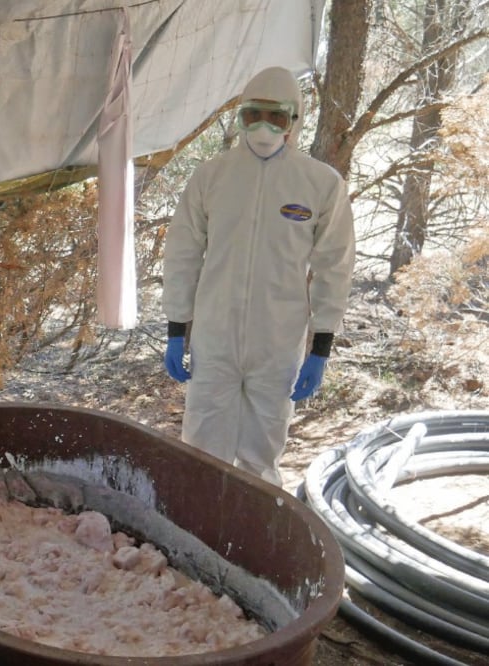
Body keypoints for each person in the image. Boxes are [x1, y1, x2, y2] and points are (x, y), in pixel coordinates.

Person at [160, 66, 356, 486]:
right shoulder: (211, 176)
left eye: (276, 117)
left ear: (294, 121)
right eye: (252, 115)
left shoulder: (320, 184)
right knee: (201, 454)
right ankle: (198, 539)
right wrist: (177, 328)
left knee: (261, 455)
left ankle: (255, 543)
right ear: (240, 117)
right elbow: (183, 254)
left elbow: (333, 267)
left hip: (278, 341)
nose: (262, 127)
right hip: (215, 339)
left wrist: (321, 345)